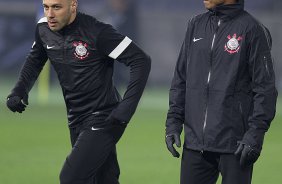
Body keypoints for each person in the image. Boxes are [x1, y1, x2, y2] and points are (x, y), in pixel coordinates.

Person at [6, 0, 151, 183]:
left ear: (73, 5)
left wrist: (126, 108)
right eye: (46, 7)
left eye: (57, 7)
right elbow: (35, 59)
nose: (50, 14)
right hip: (75, 119)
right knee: (105, 179)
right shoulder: (43, 29)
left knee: (70, 177)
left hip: (104, 117)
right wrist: (19, 90)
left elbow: (141, 60)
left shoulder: (97, 31)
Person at [165, 0, 277, 184]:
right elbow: (180, 78)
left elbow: (265, 88)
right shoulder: (195, 24)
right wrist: (173, 122)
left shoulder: (252, 29)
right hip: (195, 144)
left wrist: (255, 135)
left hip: (235, 145)